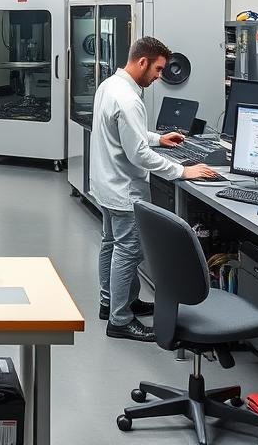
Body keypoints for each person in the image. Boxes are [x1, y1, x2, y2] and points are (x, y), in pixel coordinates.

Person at [91, 36, 219, 342]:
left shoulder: (109, 85)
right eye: (158, 69)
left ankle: (112, 302)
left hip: (106, 184)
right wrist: (183, 171)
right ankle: (120, 320)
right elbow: (138, 155)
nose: (160, 76)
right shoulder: (129, 99)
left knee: (111, 243)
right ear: (142, 62)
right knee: (128, 251)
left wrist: (158, 138)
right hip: (124, 189)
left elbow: (127, 134)